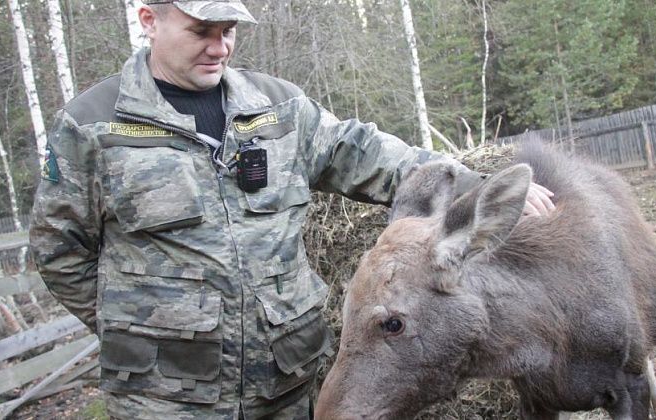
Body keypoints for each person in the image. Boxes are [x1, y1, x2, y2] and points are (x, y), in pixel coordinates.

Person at [29, 1, 554, 419]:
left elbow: (365, 154)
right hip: (165, 397)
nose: (220, 47)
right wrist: (141, 329)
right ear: (149, 20)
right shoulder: (93, 126)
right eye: (200, 31)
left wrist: (471, 183)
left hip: (288, 379)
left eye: (229, 30)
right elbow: (58, 253)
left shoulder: (275, 107)